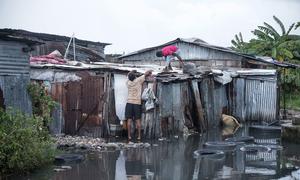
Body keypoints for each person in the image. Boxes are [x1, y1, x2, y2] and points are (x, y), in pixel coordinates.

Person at [125, 69, 152, 142]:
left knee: (129, 120)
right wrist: (150, 71)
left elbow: (128, 75)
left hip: (129, 102)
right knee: (138, 120)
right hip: (137, 103)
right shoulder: (138, 80)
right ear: (135, 77)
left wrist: (131, 72)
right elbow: (146, 73)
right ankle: (139, 136)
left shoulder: (127, 82)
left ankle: (129, 136)